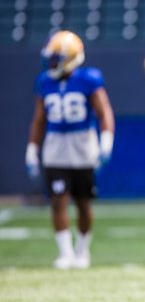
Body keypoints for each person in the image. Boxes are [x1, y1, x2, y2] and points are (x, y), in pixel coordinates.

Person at [25, 30, 115, 270]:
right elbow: (39, 119)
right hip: (55, 148)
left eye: (56, 57)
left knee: (83, 203)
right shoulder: (44, 81)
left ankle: (82, 251)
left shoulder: (89, 79)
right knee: (57, 201)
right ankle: (65, 253)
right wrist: (32, 149)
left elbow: (104, 112)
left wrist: (105, 142)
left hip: (83, 147)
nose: (52, 62)